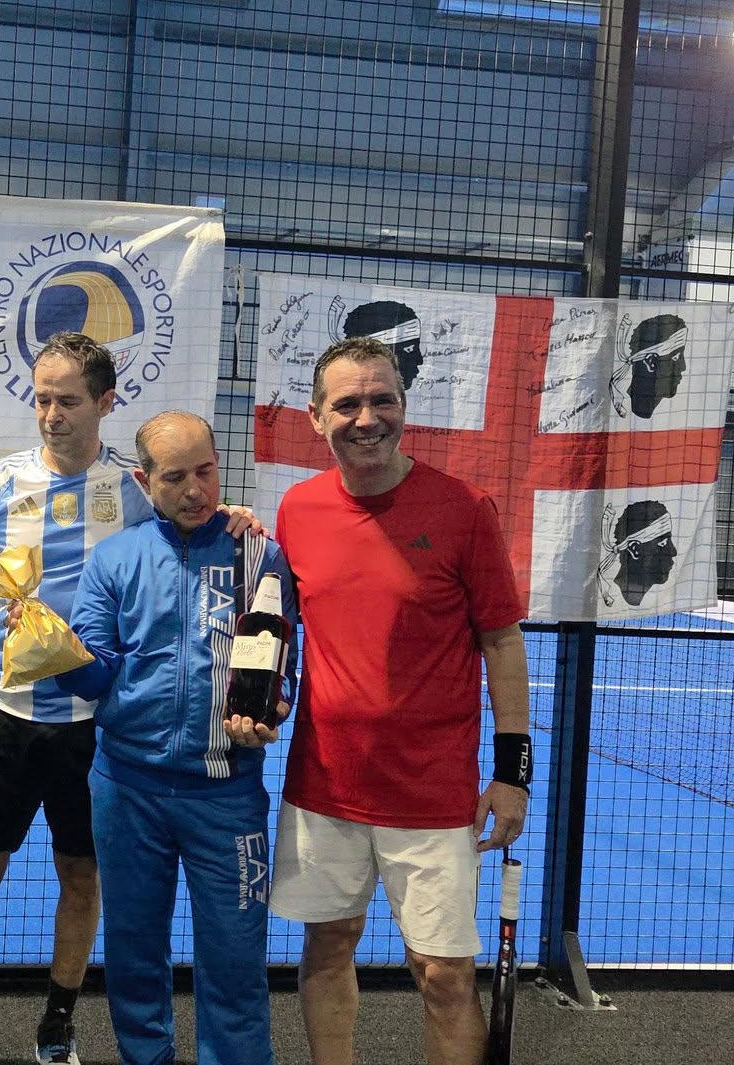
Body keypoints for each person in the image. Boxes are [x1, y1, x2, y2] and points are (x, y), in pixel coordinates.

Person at [0, 332, 260, 1065]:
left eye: (68, 400)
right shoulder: (3, 480)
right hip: (3, 717)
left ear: (105, 403)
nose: (52, 414)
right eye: (42, 399)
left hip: (94, 727)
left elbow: (190, 530)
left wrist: (239, 519)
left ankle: (57, 1027)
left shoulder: (135, 492)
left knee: (82, 876)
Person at [271, 335, 532, 1065]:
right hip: (324, 785)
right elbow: (275, 629)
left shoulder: (463, 508)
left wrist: (512, 773)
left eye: (381, 399)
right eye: (347, 404)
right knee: (329, 945)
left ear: (404, 405)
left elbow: (502, 641)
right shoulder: (296, 509)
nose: (366, 418)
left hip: (434, 793)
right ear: (316, 416)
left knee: (444, 975)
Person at [55, 410, 295, 1065]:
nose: (195, 490)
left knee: (236, 958)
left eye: (206, 471)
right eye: (175, 477)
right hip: (126, 789)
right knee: (133, 950)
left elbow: (284, 666)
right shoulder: (115, 558)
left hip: (226, 794)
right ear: (144, 481)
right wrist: (54, 653)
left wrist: (274, 707)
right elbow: (94, 675)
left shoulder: (260, 553)